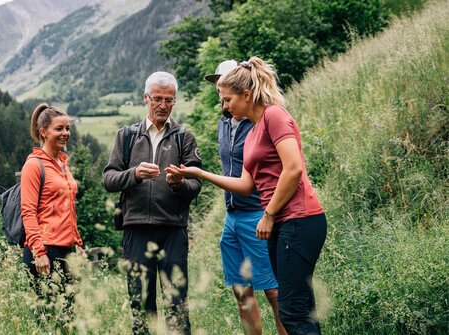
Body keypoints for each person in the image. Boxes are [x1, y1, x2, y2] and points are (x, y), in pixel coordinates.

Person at [166, 56, 327, 335]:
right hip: (281, 223)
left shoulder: (274, 115)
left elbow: (293, 169)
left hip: (300, 218)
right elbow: (245, 185)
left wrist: (268, 214)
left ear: (247, 94)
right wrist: (199, 174)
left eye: (228, 99)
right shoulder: (253, 133)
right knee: (298, 307)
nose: (224, 105)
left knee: (290, 308)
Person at [103, 71, 202, 335]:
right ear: (146, 98)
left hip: (172, 230)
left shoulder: (184, 136)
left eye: (169, 100)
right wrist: (133, 174)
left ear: (174, 101)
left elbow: (196, 186)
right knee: (141, 302)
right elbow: (109, 179)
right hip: (136, 230)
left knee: (176, 302)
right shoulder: (126, 136)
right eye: (157, 98)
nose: (163, 105)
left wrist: (179, 183)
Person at [205, 60, 287, 335]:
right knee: (242, 292)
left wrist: (197, 174)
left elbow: (251, 181)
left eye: (225, 87)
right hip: (232, 218)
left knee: (273, 291)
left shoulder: (258, 123)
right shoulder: (223, 124)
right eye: (218, 87)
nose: (221, 95)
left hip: (256, 212)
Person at [20, 103, 83, 318]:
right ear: (43, 132)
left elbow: (67, 209)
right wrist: (39, 253)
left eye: (67, 128)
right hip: (45, 251)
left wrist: (78, 242)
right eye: (59, 129)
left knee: (69, 317)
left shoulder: (62, 163)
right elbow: (27, 212)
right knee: (49, 318)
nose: (65, 133)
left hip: (67, 249)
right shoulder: (34, 165)